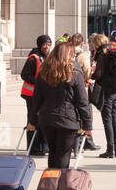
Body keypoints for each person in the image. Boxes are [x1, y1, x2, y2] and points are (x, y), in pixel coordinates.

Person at [27, 40, 93, 168]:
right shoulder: (74, 71)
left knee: (53, 152)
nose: (74, 56)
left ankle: (52, 183)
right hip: (68, 120)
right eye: (72, 53)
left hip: (47, 118)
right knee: (63, 154)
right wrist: (87, 124)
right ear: (68, 54)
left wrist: (32, 121)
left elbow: (36, 99)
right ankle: (60, 184)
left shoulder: (44, 71)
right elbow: (82, 101)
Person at [90, 33, 116, 158]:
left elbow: (99, 74)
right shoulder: (112, 51)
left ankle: (110, 150)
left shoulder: (101, 54)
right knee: (115, 118)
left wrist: (90, 76)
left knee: (107, 120)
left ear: (96, 43)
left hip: (107, 91)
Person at [20, 35, 52, 156]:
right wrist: (38, 82)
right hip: (31, 95)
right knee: (33, 120)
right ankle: (33, 147)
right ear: (39, 45)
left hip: (42, 95)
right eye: (44, 44)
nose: (46, 47)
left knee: (43, 120)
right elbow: (24, 75)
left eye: (49, 45)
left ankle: (43, 146)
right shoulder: (33, 59)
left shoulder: (47, 57)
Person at [71, 35, 100, 150]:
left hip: (70, 89)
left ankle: (80, 141)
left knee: (75, 114)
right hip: (83, 87)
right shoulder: (83, 56)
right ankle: (86, 140)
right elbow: (87, 72)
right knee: (86, 114)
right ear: (82, 43)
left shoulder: (68, 53)